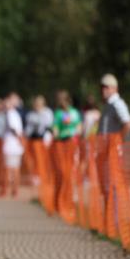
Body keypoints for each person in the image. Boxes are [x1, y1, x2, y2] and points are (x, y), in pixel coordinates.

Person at [96, 74, 130, 225]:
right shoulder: (108, 105)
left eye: (107, 87)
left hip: (112, 152)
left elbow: (128, 124)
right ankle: (109, 220)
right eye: (102, 87)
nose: (103, 90)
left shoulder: (117, 103)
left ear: (114, 88)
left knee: (112, 185)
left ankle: (114, 222)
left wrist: (117, 142)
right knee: (106, 184)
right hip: (105, 151)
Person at [51, 90, 82, 219]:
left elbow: (79, 126)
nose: (61, 101)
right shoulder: (58, 114)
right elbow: (55, 128)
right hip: (61, 145)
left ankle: (69, 203)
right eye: (59, 99)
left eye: (63, 99)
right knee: (62, 174)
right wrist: (55, 133)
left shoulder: (74, 112)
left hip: (72, 144)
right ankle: (59, 203)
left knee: (71, 174)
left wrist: (77, 135)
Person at [2, 92, 25, 197]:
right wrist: (20, 139)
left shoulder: (12, 113)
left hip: (13, 145)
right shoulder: (12, 113)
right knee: (12, 168)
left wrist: (20, 139)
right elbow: (14, 129)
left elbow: (14, 129)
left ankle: (12, 190)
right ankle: (12, 189)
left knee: (12, 168)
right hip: (13, 144)